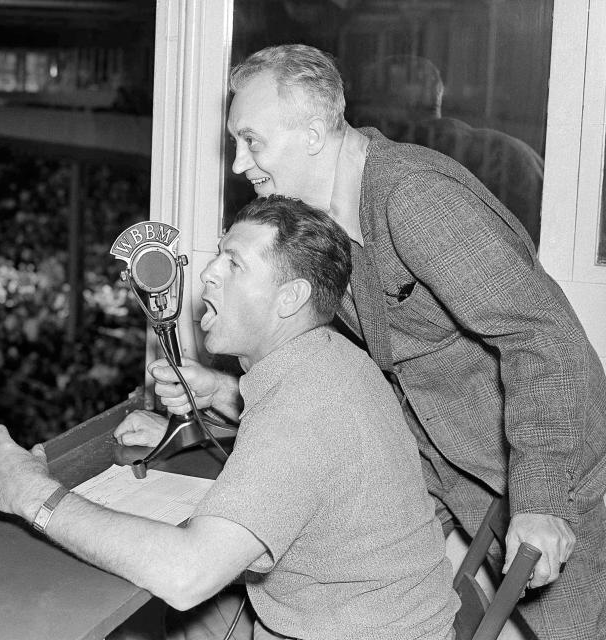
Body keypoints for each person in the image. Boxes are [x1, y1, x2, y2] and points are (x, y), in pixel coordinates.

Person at [139, 44, 605, 640]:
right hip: (465, 473)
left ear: (313, 132)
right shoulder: (333, 221)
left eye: (251, 140)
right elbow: (359, 383)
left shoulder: (413, 199)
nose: (238, 164)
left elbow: (540, 335)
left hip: (561, 469)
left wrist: (541, 497)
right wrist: (229, 400)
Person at [0, 196, 459, 640]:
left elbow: (186, 575)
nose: (207, 274)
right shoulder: (330, 359)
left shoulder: (303, 407)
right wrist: (216, 398)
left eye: (234, 263)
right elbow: (309, 464)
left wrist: (33, 495)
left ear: (291, 299)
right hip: (371, 612)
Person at [348, 54, 544, 246]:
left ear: (400, 104)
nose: (364, 116)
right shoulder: (512, 150)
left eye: (372, 102)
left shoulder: (411, 161)